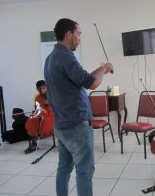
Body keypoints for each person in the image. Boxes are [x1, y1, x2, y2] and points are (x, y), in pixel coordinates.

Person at [44, 18, 113, 196]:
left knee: (64, 169)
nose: (80, 37)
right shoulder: (66, 56)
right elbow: (92, 85)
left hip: (61, 125)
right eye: (79, 33)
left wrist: (102, 68)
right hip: (76, 125)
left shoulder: (51, 57)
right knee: (84, 171)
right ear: (69, 35)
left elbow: (84, 80)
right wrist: (104, 70)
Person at [24, 80, 54, 154]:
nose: (41, 90)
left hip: (51, 115)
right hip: (41, 114)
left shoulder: (52, 94)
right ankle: (34, 143)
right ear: (37, 89)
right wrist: (37, 110)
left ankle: (42, 134)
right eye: (39, 89)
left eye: (43, 88)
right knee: (31, 122)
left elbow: (57, 106)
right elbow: (37, 109)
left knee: (42, 122)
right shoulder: (37, 97)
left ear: (46, 88)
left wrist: (49, 102)